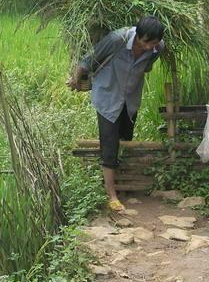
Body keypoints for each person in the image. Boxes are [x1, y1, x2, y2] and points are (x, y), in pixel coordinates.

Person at [66, 16, 165, 212]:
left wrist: (151, 50)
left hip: (130, 99)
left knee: (125, 139)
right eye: (146, 42)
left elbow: (148, 65)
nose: (148, 47)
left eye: (152, 43)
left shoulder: (158, 48)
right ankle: (111, 195)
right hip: (108, 97)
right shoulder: (116, 40)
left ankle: (122, 184)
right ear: (137, 35)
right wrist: (76, 80)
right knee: (109, 145)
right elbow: (87, 61)